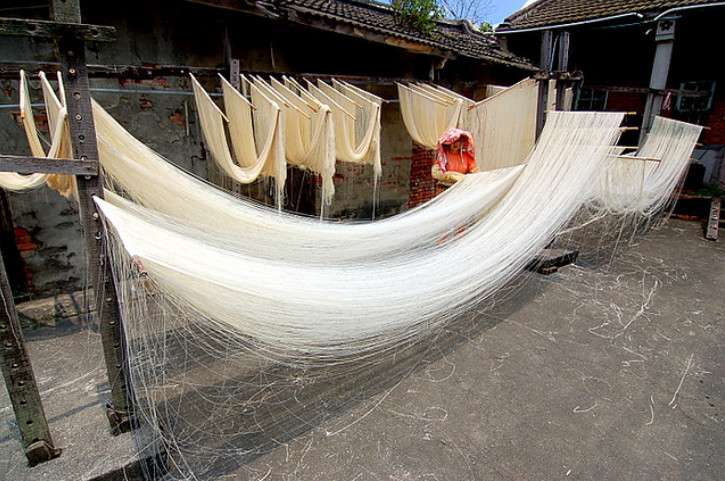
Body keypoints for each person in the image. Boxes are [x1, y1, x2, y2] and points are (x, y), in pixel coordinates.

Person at [431, 128, 480, 195]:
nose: (455, 144)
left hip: (461, 189)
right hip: (445, 190)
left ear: (462, 142)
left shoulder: (467, 157)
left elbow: (476, 172)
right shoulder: (443, 156)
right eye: (452, 141)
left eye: (458, 141)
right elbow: (436, 173)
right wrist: (451, 176)